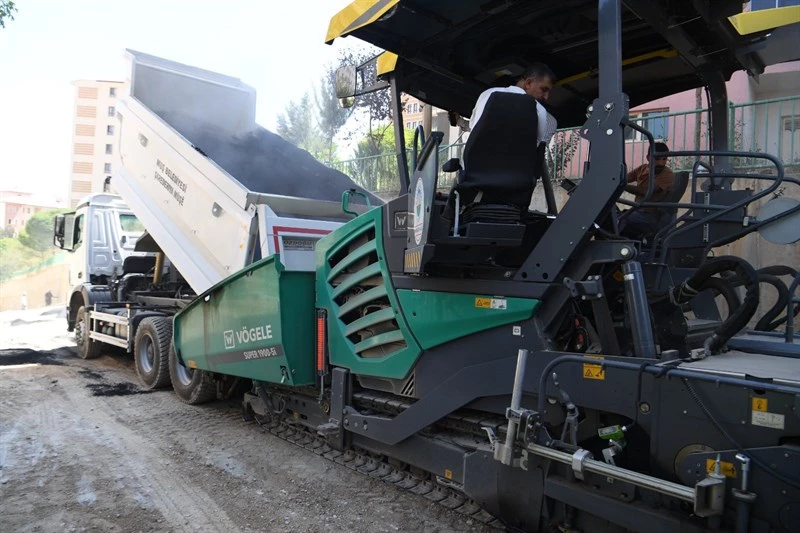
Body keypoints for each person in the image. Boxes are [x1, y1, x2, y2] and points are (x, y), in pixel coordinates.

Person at [450, 63, 558, 146]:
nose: (546, 97)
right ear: (528, 83)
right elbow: (536, 148)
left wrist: (461, 122)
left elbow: (476, 128)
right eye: (544, 89)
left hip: (474, 169)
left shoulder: (487, 95)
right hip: (517, 172)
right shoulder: (541, 113)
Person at [620, 142, 675, 239]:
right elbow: (623, 178)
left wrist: (622, 185)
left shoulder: (667, 174)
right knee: (610, 217)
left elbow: (646, 192)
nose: (661, 163)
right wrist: (614, 179)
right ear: (648, 157)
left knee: (618, 220)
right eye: (657, 159)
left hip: (650, 215)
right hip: (638, 211)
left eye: (664, 159)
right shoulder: (642, 169)